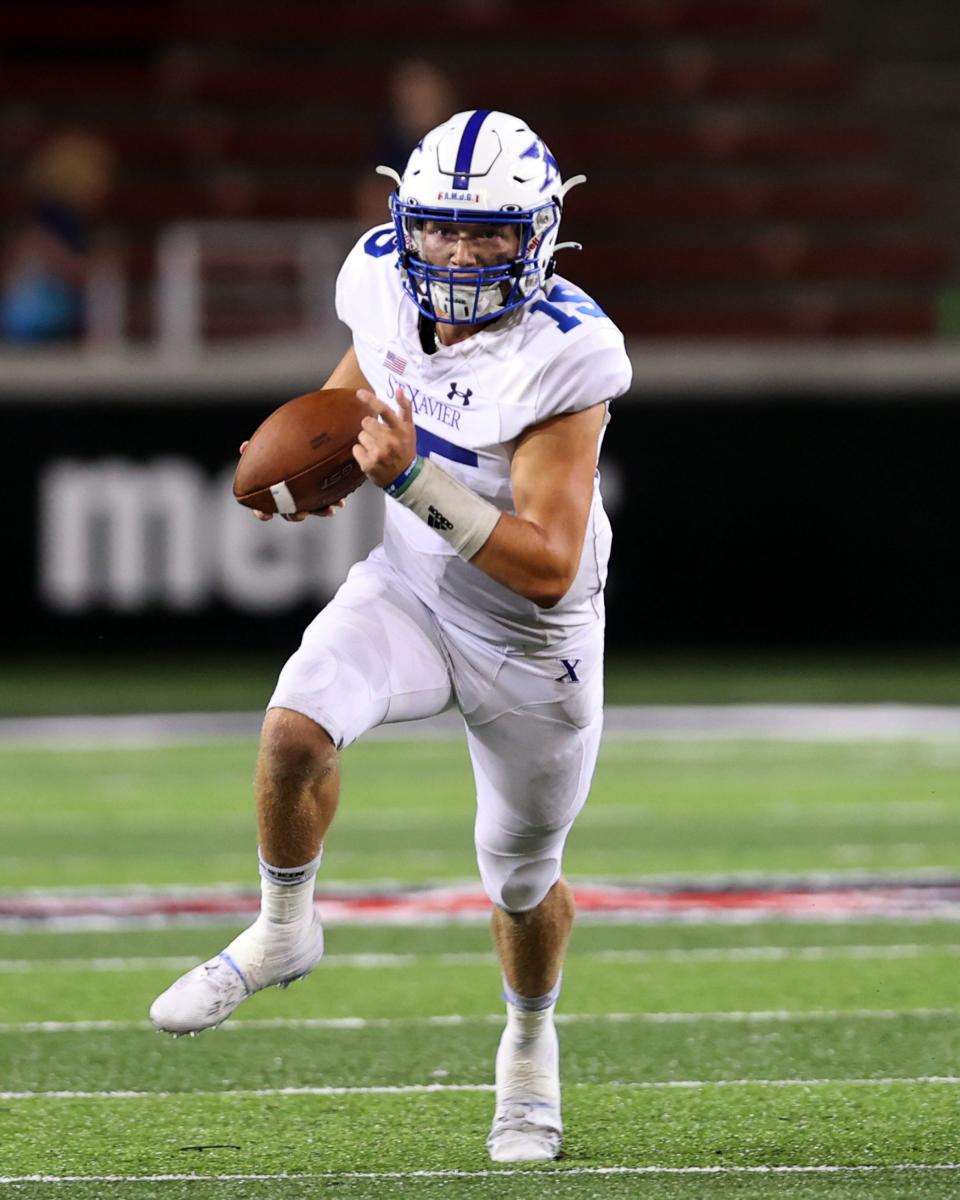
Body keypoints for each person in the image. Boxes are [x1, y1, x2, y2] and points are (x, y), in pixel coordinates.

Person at [150, 109, 632, 1164]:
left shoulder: (568, 351)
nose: (460, 255)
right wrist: (309, 457)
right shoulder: (377, 275)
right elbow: (357, 386)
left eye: (490, 234)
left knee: (518, 876)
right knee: (291, 732)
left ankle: (528, 1049)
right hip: (413, 591)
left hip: (529, 636)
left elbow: (548, 563)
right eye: (444, 229)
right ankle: (284, 930)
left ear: (540, 235)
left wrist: (410, 479)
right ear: (407, 220)